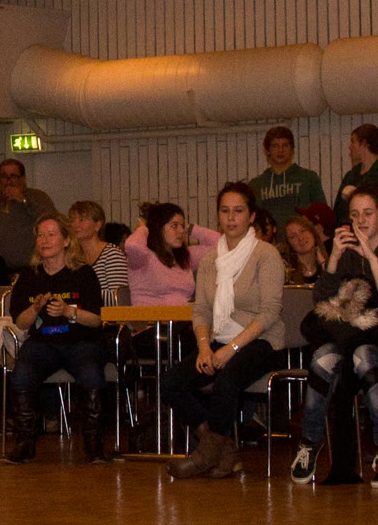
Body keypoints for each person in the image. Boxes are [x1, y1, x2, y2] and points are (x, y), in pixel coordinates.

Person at [291, 184, 378, 488]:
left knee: (363, 356)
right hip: (351, 340)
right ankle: (309, 442)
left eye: (368, 213)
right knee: (322, 358)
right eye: (354, 215)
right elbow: (321, 300)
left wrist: (372, 258)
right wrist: (334, 258)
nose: (361, 221)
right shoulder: (347, 255)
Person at [163, 183, 289, 482]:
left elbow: (270, 312)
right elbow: (201, 311)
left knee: (226, 381)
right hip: (218, 339)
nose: (231, 218)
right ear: (218, 215)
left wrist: (230, 349)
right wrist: (204, 347)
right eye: (225, 211)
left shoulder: (266, 254)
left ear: (251, 216)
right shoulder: (210, 260)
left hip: (261, 342)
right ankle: (224, 450)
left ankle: (205, 455)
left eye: (238, 211)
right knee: (171, 383)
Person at [2, 214, 109, 465]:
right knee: (21, 373)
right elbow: (21, 323)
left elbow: (96, 320)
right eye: (40, 235)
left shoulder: (83, 274)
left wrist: (69, 311)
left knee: (91, 374)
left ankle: (94, 445)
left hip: (81, 342)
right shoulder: (29, 276)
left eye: (51, 235)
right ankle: (25, 444)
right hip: (43, 344)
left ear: (66, 240)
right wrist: (35, 308)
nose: (44, 240)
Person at [123, 202, 219, 306]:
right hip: (151, 316)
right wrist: (143, 229)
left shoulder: (184, 258)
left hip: (182, 315)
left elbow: (220, 245)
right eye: (174, 226)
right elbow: (133, 245)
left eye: (182, 226)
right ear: (158, 228)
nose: (181, 231)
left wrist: (190, 228)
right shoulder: (143, 258)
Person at [0, 158, 56, 285]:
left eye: (13, 176)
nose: (8, 181)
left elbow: (52, 222)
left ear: (23, 178)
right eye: (4, 176)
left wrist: (24, 201)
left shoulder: (38, 197)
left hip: (31, 269)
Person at [249, 125, 326, 228]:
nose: (280, 150)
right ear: (267, 150)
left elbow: (323, 215)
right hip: (269, 238)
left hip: (302, 238)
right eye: (275, 145)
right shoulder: (256, 185)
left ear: (292, 149)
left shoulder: (309, 178)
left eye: (285, 145)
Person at [333, 123, 378, 227]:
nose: (350, 147)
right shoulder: (351, 175)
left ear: (364, 143)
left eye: (353, 142)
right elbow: (338, 211)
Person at [66, 200, 130, 303]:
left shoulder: (112, 254)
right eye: (72, 220)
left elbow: (119, 299)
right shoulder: (72, 257)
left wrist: (83, 294)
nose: (75, 225)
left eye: (82, 220)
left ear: (97, 225)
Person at [282, 214, 328, 285]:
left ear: (312, 232)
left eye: (303, 231)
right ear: (289, 243)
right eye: (293, 236)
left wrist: (323, 263)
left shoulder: (332, 263)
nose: (300, 238)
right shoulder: (285, 272)